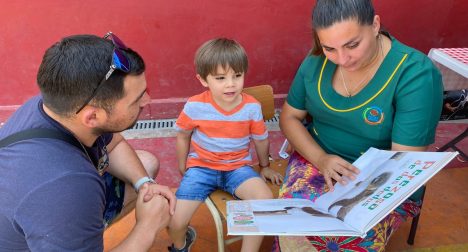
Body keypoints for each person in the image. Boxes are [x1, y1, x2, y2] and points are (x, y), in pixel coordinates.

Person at [275, 0, 443, 251]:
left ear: (375, 25)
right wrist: (321, 159)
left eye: (352, 44)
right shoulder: (316, 62)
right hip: (315, 160)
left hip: (381, 179)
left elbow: (403, 160)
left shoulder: (414, 73)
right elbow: (289, 117)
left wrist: (353, 191)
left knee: (344, 240)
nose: (342, 59)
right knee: (293, 224)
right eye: (329, 48)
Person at [0, 33, 176, 251]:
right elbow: (66, 192)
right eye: (137, 98)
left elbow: (115, 144)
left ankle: (80, 234)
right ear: (92, 117)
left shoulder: (58, 107)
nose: (147, 101)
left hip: (52, 211)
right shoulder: (67, 189)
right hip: (55, 211)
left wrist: (145, 183)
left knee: (145, 164)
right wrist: (148, 227)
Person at [167, 38, 284, 252]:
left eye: (237, 76)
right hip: (202, 168)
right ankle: (181, 245)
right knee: (176, 221)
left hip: (238, 169)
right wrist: (182, 165)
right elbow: (183, 135)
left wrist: (265, 165)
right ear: (203, 80)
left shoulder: (251, 107)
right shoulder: (194, 106)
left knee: (264, 199)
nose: (231, 84)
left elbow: (261, 139)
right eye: (221, 78)